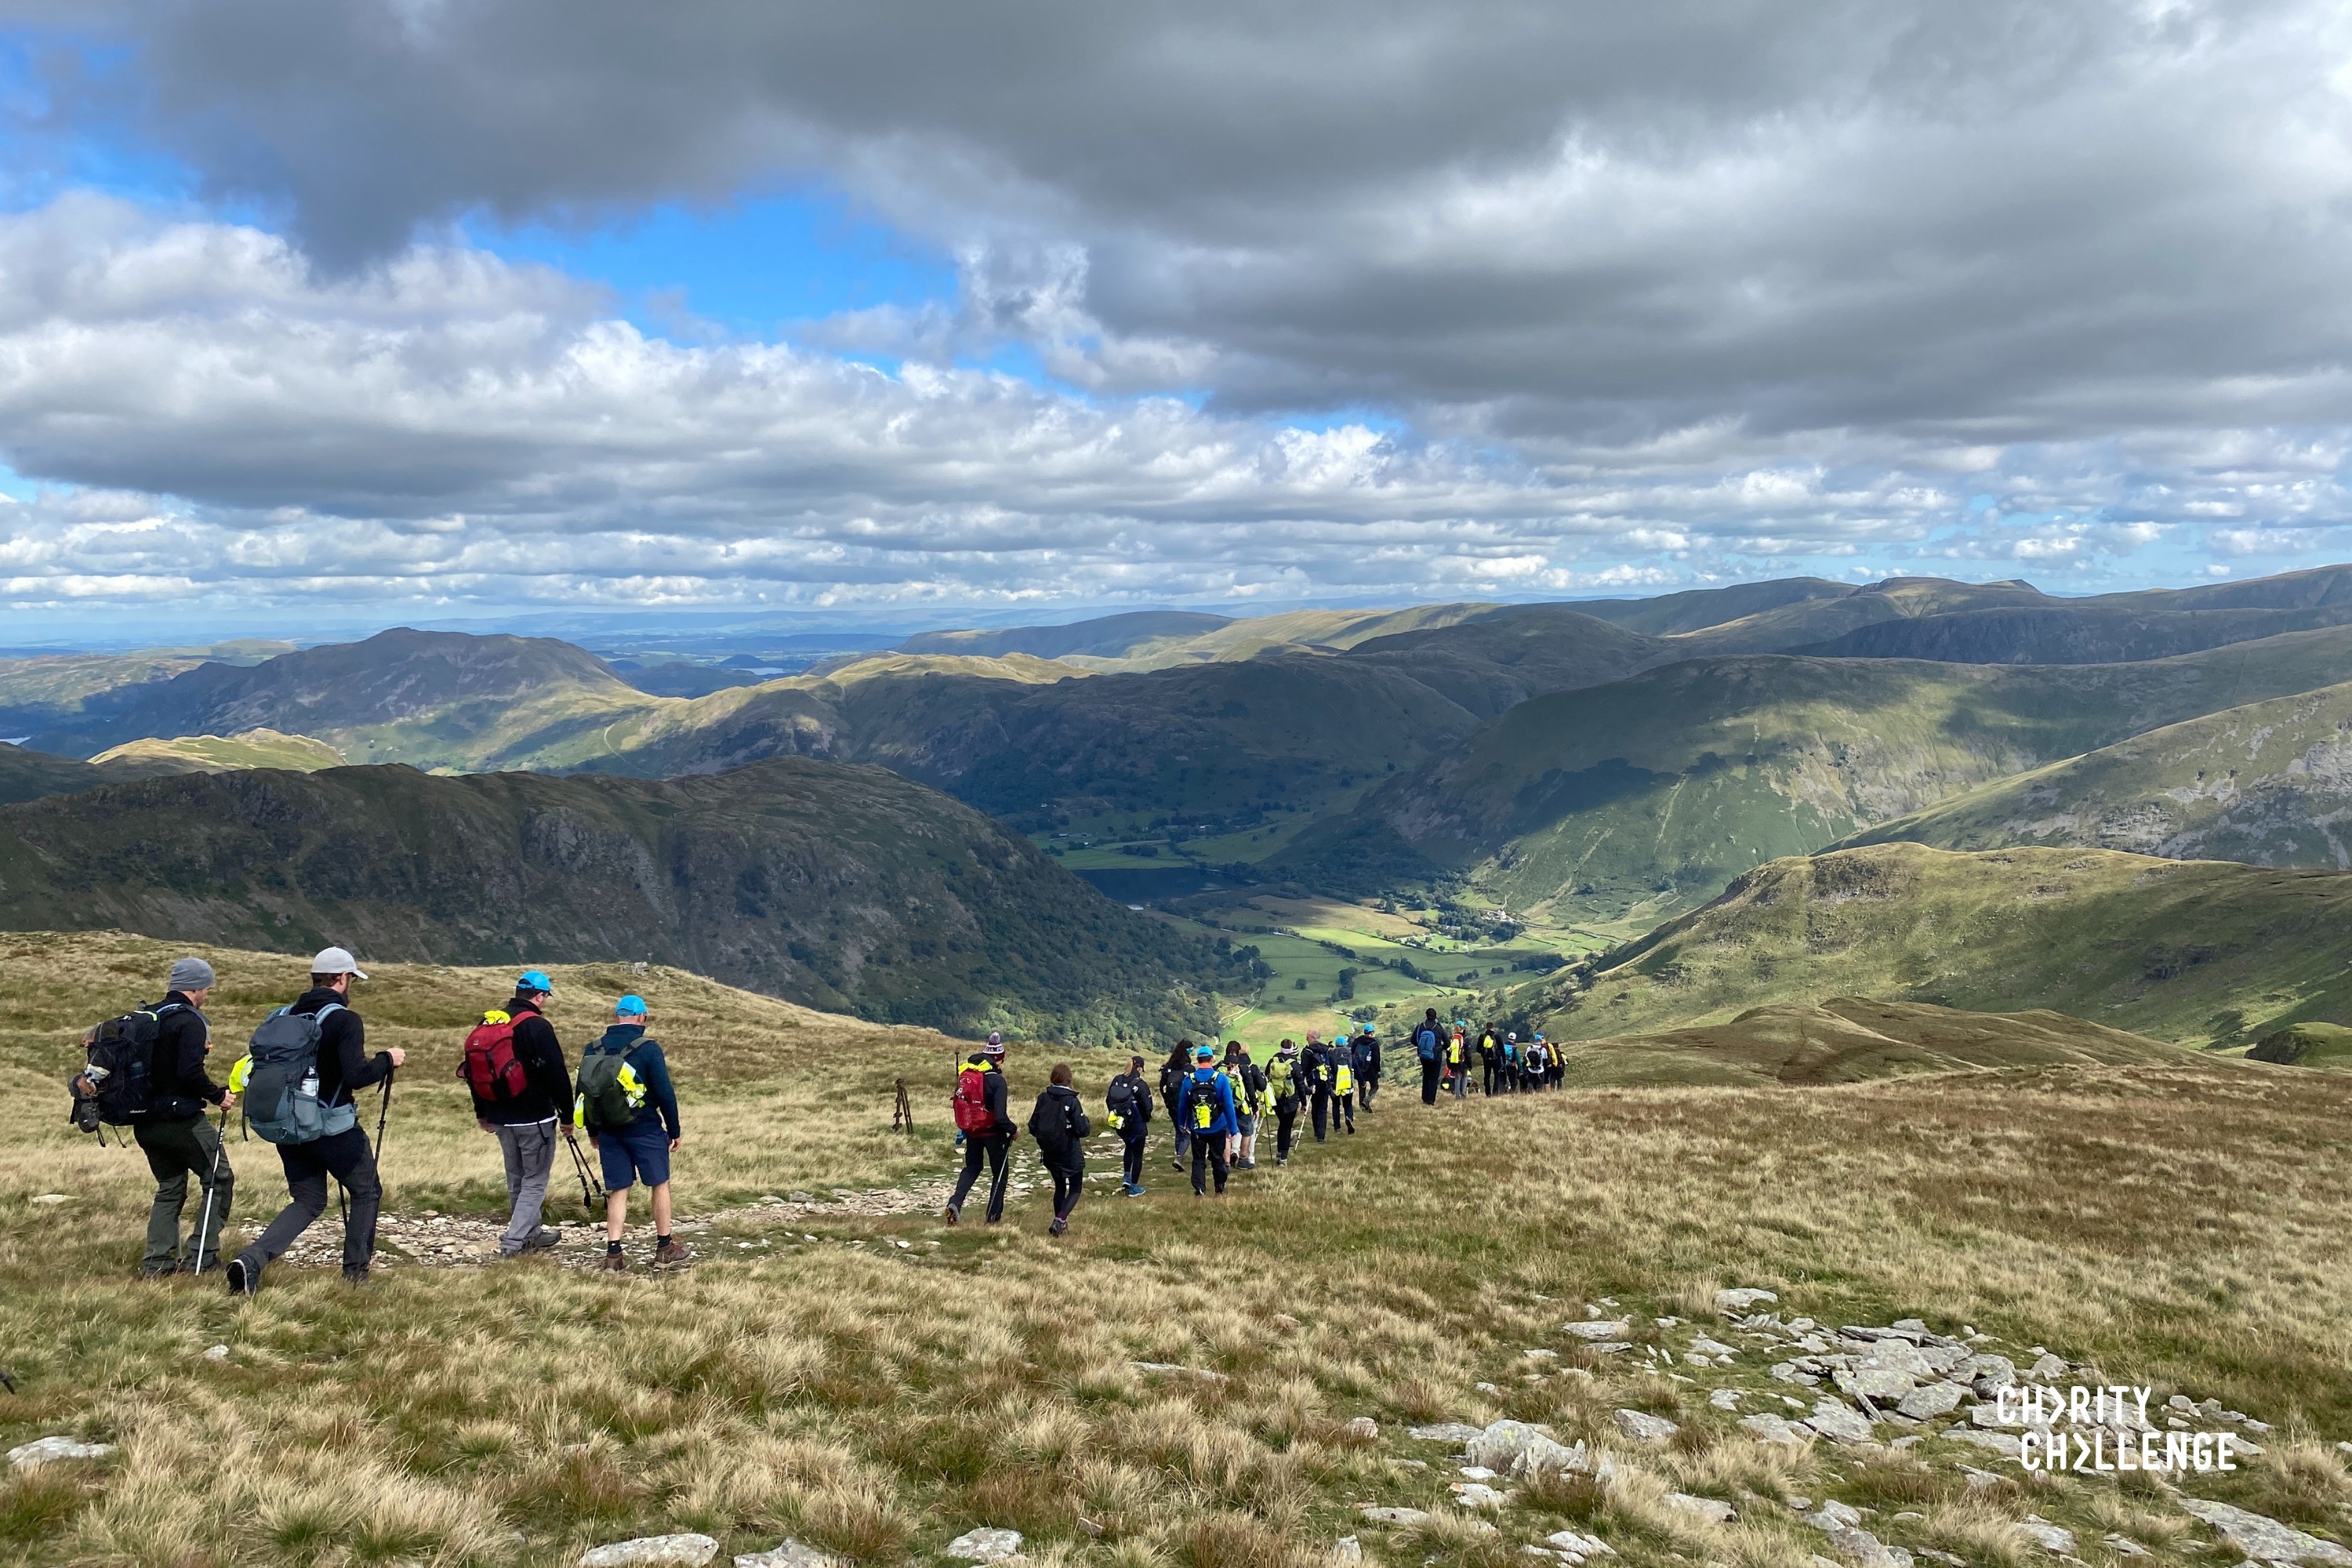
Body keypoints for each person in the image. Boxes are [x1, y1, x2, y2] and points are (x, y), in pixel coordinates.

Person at [226, 947, 403, 1295]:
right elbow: (355, 1076)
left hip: (287, 1125)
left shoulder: (283, 1016)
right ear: (341, 978)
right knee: (366, 1191)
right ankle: (355, 1278)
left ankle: (252, 1260)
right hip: (332, 1127)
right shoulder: (344, 1020)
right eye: (351, 978)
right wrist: (387, 1059)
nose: (350, 984)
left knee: (307, 1200)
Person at [132, 956, 234, 1277]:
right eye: (206, 988)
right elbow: (190, 1072)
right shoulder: (190, 1021)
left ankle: (157, 1264)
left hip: (144, 1121)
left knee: (170, 1186)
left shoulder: (147, 1017)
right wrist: (218, 1095)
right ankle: (202, 1258)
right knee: (219, 1179)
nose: (207, 994)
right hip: (180, 1120)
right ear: (195, 987)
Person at [466, 970, 575, 1258]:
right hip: (535, 1117)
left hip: (500, 1115)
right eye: (546, 997)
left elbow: (474, 1071)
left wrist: (483, 1111)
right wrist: (567, 1115)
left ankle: (532, 1233)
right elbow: (557, 1074)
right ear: (539, 996)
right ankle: (514, 1242)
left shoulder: (489, 1022)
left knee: (516, 1178)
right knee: (535, 1180)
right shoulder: (538, 1026)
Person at [577, 994, 685, 1269]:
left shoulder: (594, 1047)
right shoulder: (648, 1048)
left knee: (618, 1190)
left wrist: (593, 1131)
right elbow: (664, 1092)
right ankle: (664, 1247)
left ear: (617, 1017)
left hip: (609, 1132)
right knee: (659, 1184)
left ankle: (613, 1254)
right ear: (641, 1018)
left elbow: (587, 1093)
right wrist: (674, 1129)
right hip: (645, 1129)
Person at [946, 1034, 1016, 1225]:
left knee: (972, 1167)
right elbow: (1000, 1116)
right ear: (999, 1058)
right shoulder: (997, 1081)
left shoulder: (969, 1074)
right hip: (993, 1133)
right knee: (999, 1173)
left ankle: (955, 1203)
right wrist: (1014, 1129)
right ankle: (992, 1219)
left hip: (972, 1131)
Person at [1029, 1062, 1091, 1235]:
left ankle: (1060, 1224)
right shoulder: (1071, 1100)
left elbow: (1032, 1126)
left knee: (1060, 1187)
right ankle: (1060, 1219)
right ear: (1068, 1079)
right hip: (1069, 1151)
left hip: (1049, 1152)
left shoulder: (1043, 1098)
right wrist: (1086, 1122)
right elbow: (1082, 1130)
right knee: (1076, 1188)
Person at [1176, 1044, 1236, 1196]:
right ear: (1212, 1059)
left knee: (1198, 1159)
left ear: (1197, 1060)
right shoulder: (1221, 1079)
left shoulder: (1189, 1080)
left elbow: (1183, 1105)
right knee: (1218, 1158)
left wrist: (1182, 1124)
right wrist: (1233, 1128)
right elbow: (1229, 1105)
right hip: (1218, 1126)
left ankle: (1200, 1188)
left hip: (1197, 1127)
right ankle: (1219, 1187)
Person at [1107, 1053, 1152, 1196]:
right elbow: (1147, 1107)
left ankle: (1126, 1177)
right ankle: (1134, 1187)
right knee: (1138, 1154)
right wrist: (1146, 1119)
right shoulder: (1140, 1085)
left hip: (1120, 1123)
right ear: (1139, 1069)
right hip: (1137, 1125)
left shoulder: (1117, 1080)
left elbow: (1109, 1100)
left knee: (1128, 1147)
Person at [1227, 1041, 1266, 1170]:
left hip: (1226, 1105)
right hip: (1243, 1104)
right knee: (1248, 1130)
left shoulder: (1222, 1067)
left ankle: (1228, 1158)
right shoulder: (1248, 1067)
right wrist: (1255, 1107)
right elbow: (1254, 1087)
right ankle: (1245, 1158)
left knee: (1228, 1132)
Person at [1268, 1039, 1303, 1166]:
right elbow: (1300, 1085)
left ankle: (1279, 1152)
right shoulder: (1294, 1065)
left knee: (1282, 1125)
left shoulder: (1273, 1061)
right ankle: (1283, 1157)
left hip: (1276, 1099)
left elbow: (1267, 1077)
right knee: (1287, 1127)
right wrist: (1303, 1102)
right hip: (1290, 1101)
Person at [1159, 1041, 1193, 1171]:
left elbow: (1162, 1087)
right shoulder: (1189, 1068)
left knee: (1179, 1131)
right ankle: (1179, 1157)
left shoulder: (1168, 1067)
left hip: (1172, 1105)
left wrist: (1167, 1101)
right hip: (1185, 1105)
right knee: (1187, 1132)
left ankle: (1179, 1157)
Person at [1302, 1032, 1334, 1142]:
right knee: (1322, 1109)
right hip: (1325, 1082)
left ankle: (1317, 1130)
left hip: (1313, 1083)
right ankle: (1321, 1136)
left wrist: (1305, 1083)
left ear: (1313, 1038)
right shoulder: (1327, 1050)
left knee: (1315, 1106)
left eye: (1308, 1036)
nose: (1306, 1038)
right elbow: (1333, 1066)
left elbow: (1304, 1069)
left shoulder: (1307, 1051)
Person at [1413, 1009, 1444, 1104]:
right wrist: (1440, 1048)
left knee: (1426, 1076)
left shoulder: (1420, 1027)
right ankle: (1431, 1100)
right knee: (1434, 1078)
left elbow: (1412, 1040)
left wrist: (1420, 1047)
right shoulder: (1438, 1028)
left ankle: (1425, 1098)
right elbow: (1447, 1042)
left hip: (1423, 1056)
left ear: (1426, 1015)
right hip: (1436, 1056)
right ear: (1435, 1016)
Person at [1352, 1026, 1381, 1109]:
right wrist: (1377, 1069)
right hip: (1371, 1069)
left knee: (1362, 1086)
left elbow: (1352, 1054)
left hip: (1359, 1069)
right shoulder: (1374, 1044)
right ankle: (1367, 1100)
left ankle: (1362, 1106)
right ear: (1372, 1033)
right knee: (1375, 1086)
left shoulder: (1357, 1041)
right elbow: (1376, 1059)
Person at [1330, 1046, 1357, 1134]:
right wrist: (1361, 1081)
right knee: (1348, 1104)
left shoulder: (1332, 1053)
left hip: (1336, 1084)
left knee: (1336, 1105)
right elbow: (1355, 1066)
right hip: (1347, 1083)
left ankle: (1337, 1128)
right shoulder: (1349, 1053)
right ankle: (1349, 1118)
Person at [1479, 1025, 1501, 1097]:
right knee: (1497, 1076)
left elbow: (1478, 1049)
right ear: (1493, 1027)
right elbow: (1502, 1049)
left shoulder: (1482, 1037)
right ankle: (1495, 1092)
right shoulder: (1497, 1036)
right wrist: (1502, 1058)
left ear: (1486, 1027)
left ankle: (1488, 1092)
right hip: (1496, 1059)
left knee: (1487, 1076)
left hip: (1486, 1060)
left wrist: (1483, 1054)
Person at [1448, 1025, 1469, 1099]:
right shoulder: (1463, 1038)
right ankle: (1463, 1093)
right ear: (1462, 1030)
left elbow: (1448, 1050)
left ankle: (1457, 1096)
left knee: (1457, 1078)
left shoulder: (1452, 1038)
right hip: (1462, 1059)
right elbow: (1467, 1051)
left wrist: (1449, 1063)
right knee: (1464, 1076)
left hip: (1453, 1060)